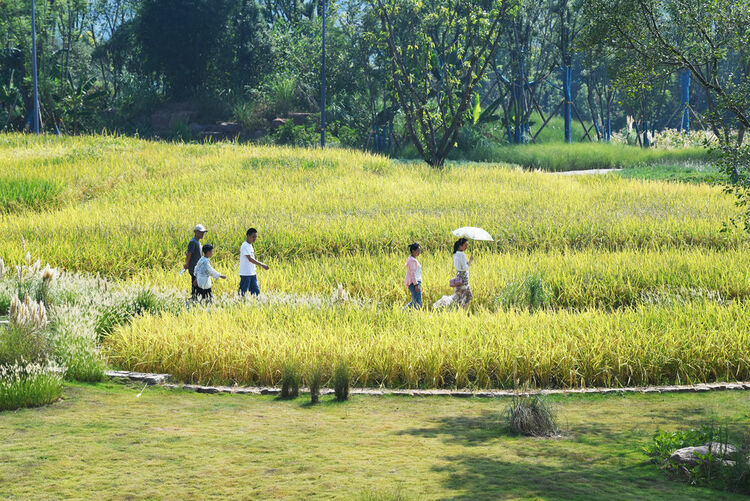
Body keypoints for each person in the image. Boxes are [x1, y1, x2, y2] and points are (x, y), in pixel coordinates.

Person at [239, 228, 269, 297]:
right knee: (243, 292)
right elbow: (250, 259)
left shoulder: (250, 245)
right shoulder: (245, 246)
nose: (254, 239)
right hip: (245, 274)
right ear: (248, 236)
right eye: (253, 237)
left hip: (252, 273)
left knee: (256, 292)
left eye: (255, 237)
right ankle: (239, 304)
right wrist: (262, 265)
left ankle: (257, 305)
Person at [184, 224, 207, 299]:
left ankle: (196, 296)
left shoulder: (197, 242)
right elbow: (189, 254)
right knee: (195, 281)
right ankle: (194, 296)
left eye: (203, 232)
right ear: (195, 232)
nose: (202, 234)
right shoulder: (193, 242)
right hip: (194, 266)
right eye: (201, 232)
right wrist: (187, 264)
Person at [452, 238, 473, 308]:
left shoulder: (455, 254)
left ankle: (459, 311)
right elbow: (465, 267)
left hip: (458, 275)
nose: (466, 247)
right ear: (460, 246)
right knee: (468, 295)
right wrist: (470, 261)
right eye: (465, 245)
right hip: (463, 276)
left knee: (460, 296)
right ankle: (461, 310)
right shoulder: (462, 255)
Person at [405, 243, 423, 309]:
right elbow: (412, 274)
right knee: (418, 302)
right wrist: (416, 285)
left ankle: (403, 311)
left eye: (420, 251)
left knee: (415, 301)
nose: (419, 252)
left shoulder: (412, 259)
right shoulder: (412, 260)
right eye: (418, 251)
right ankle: (416, 314)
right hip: (414, 283)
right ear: (413, 251)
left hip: (415, 283)